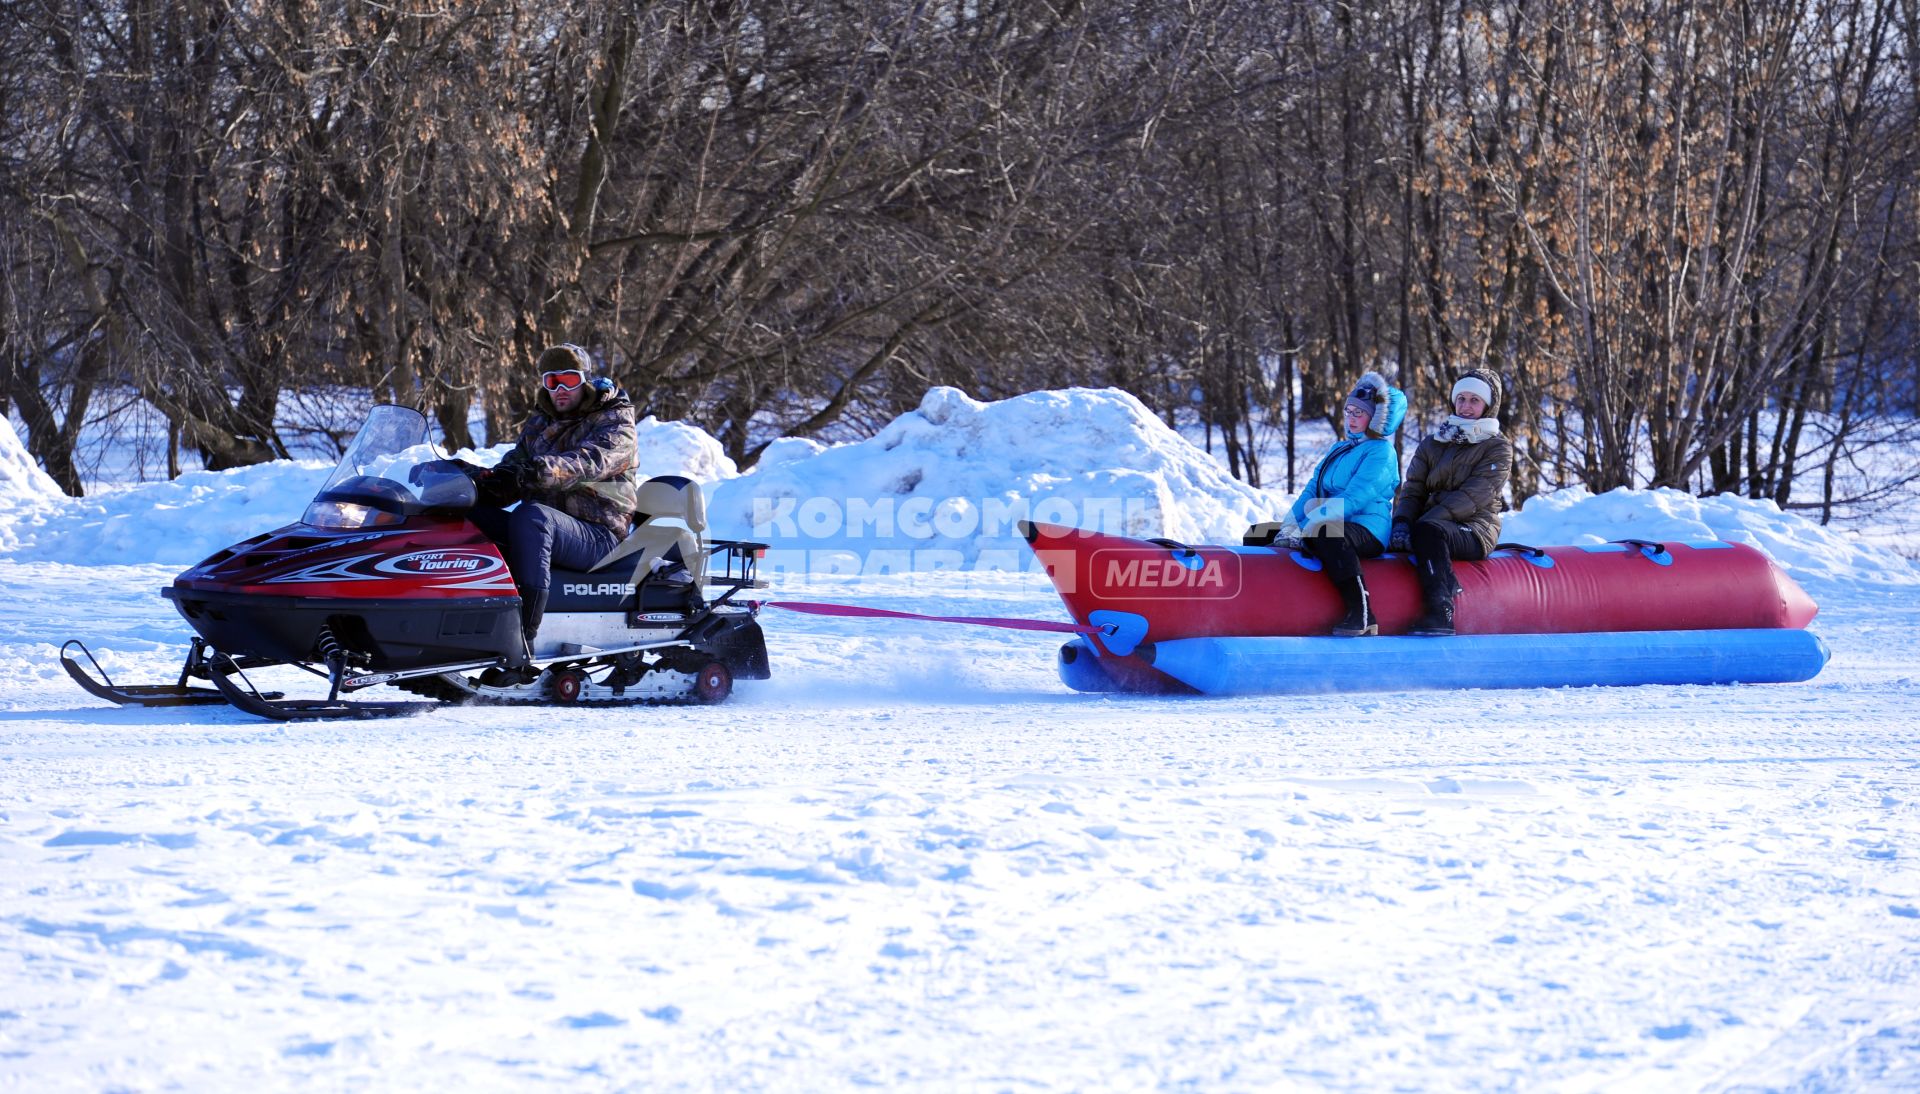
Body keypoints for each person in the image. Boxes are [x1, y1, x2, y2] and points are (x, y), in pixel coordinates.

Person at [472, 343, 638, 683]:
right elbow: (517, 467)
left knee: (532, 516)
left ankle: (523, 644)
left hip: (599, 534)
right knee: (472, 515)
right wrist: (482, 481)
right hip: (548, 529)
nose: (560, 390)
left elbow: (591, 461)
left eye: (568, 380)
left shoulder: (615, 418)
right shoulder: (541, 422)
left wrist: (540, 470)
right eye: (552, 382)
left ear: (585, 382)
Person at [1272, 372, 1407, 637]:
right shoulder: (1339, 449)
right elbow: (1313, 489)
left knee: (1325, 533)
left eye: (1360, 413)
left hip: (1366, 527)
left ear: (1375, 418)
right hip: (1328, 522)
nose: (1352, 418)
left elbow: (1356, 497)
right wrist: (1289, 525)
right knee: (1259, 533)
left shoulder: (1381, 452)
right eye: (1349, 411)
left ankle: (1363, 612)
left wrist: (1310, 524)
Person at [1388, 367, 1513, 636]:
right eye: (1461, 399)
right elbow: (1413, 490)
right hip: (1430, 526)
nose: (1466, 406)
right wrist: (1401, 523)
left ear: (1488, 406)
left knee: (1428, 532)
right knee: (1397, 534)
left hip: (1475, 528)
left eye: (1474, 400)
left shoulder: (1497, 446)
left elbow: (1475, 495)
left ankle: (1441, 612)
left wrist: (1422, 524)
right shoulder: (1434, 443)